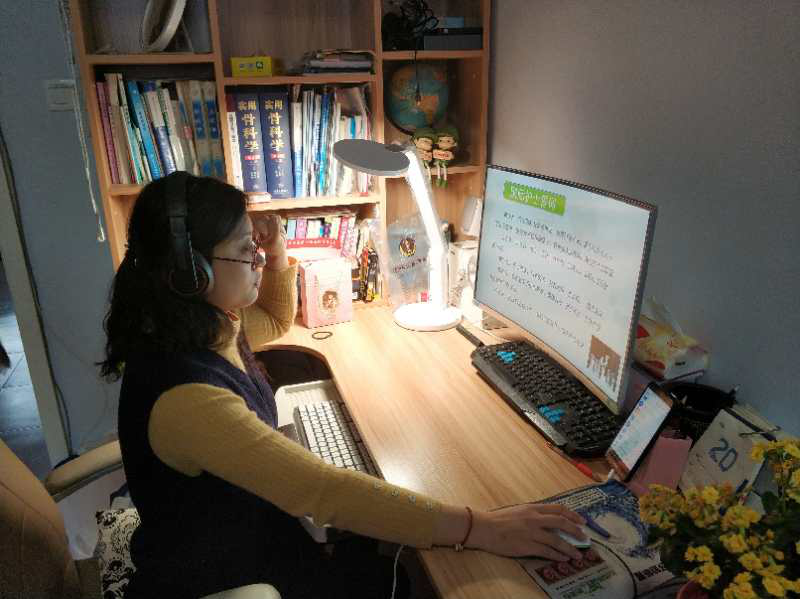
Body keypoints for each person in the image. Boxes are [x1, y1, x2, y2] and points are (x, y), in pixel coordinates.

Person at [99, 172, 587, 599]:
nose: (258, 259)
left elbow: (275, 321)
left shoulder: (202, 323)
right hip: (224, 572)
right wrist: (479, 527)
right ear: (192, 274)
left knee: (379, 550)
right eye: (246, 250)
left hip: (245, 527)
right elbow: (322, 491)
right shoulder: (187, 396)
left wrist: (278, 249)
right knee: (398, 577)